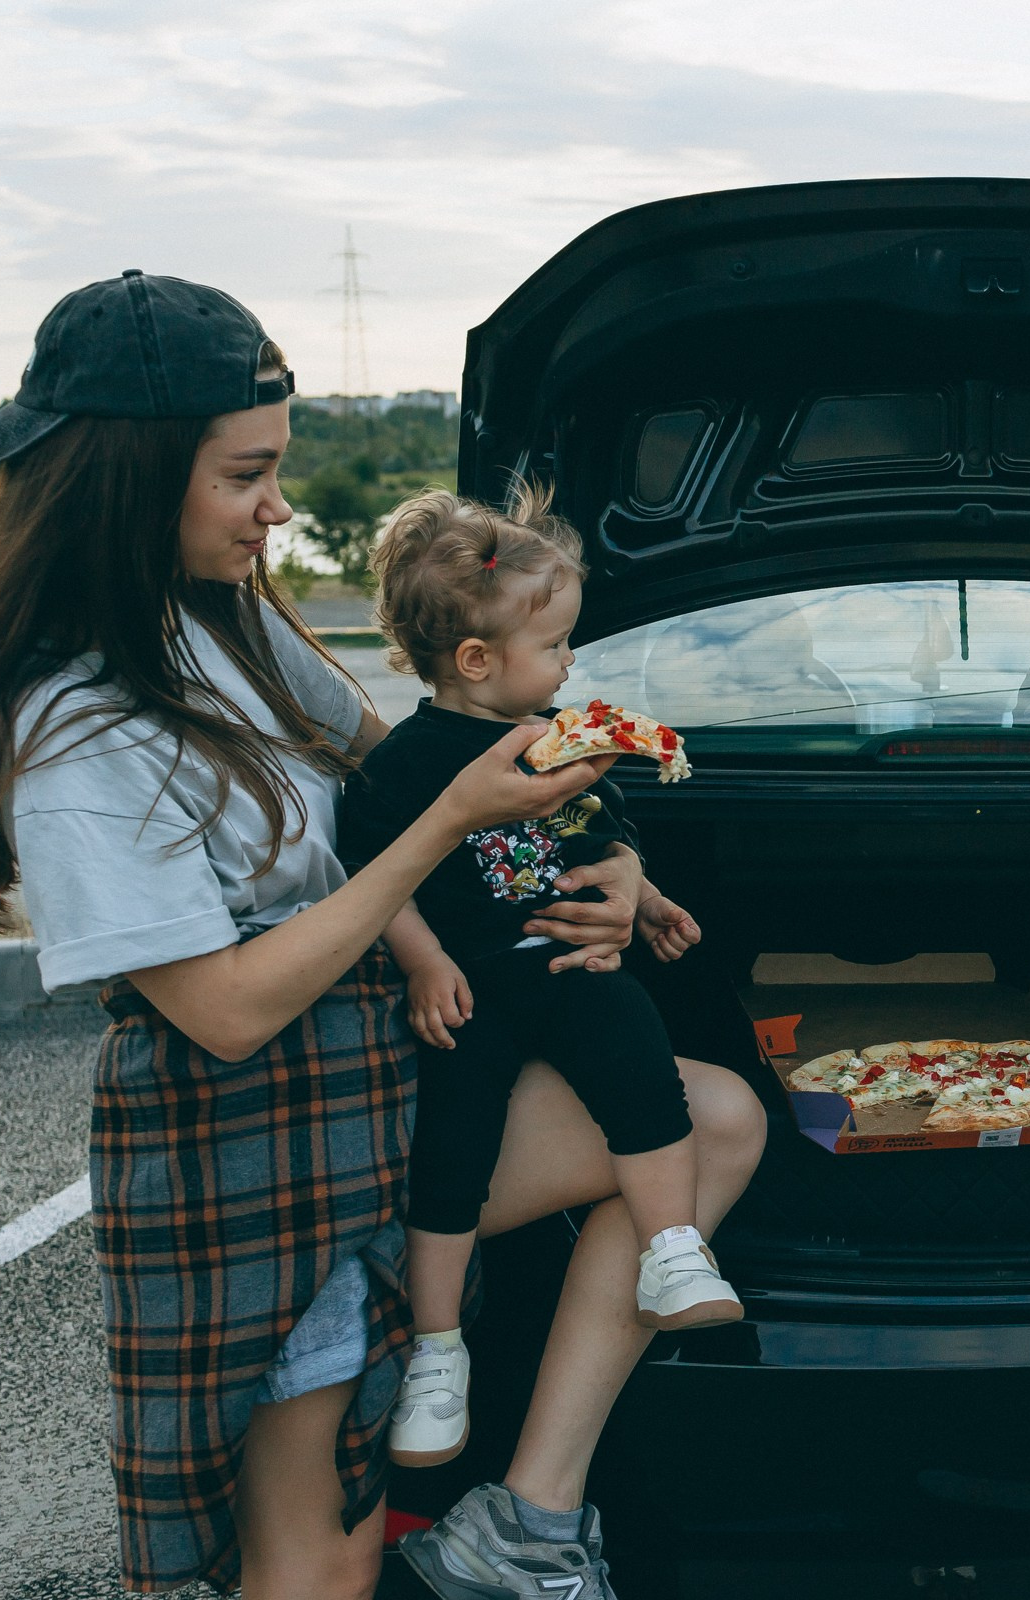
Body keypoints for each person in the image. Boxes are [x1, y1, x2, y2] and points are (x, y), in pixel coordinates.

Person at [0, 271, 764, 1600]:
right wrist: (450, 829)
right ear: (131, 480)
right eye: (246, 477)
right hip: (251, 1145)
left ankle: (526, 1522)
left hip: (375, 1079)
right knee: (319, 1555)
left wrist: (606, 861)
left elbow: (409, 765)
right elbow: (225, 1009)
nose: (278, 509)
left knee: (714, 1116)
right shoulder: (76, 726)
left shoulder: (227, 618)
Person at [340, 486, 746, 1488]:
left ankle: (671, 1247)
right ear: (477, 660)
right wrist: (424, 959)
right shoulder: (407, 762)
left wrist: (643, 895)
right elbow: (373, 875)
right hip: (469, 989)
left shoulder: (562, 735)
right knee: (453, 1148)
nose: (570, 663)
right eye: (556, 644)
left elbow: (605, 831)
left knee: (643, 1067)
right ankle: (438, 1351)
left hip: (570, 967)